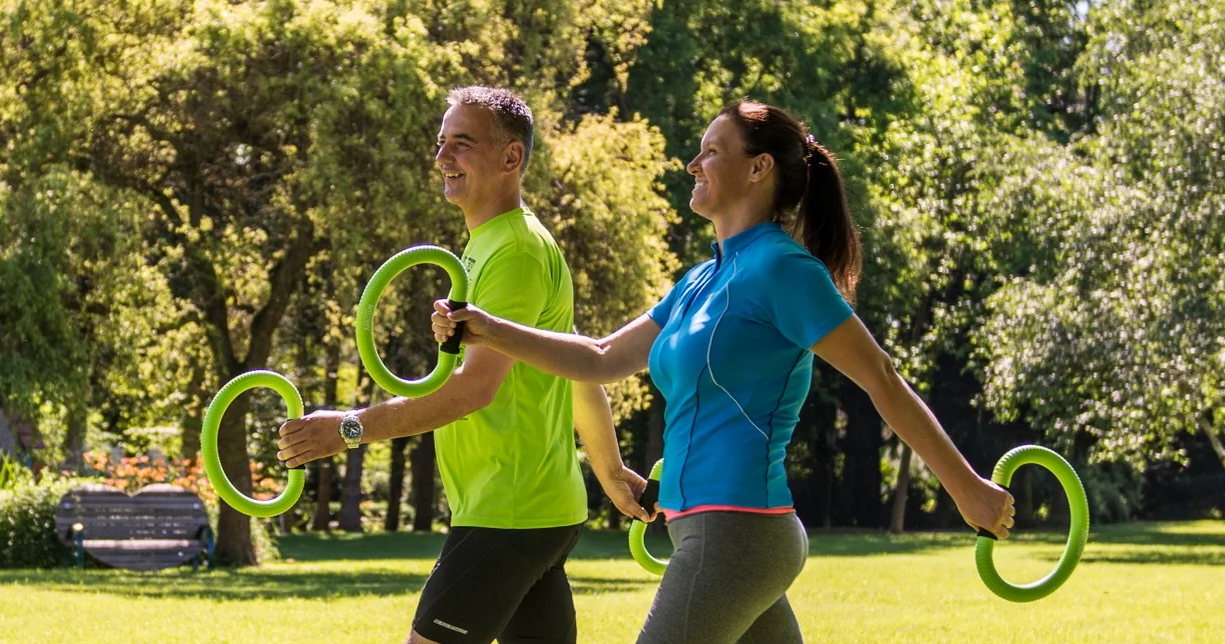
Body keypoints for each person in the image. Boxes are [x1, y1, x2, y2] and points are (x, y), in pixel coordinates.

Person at [429, 100, 1017, 644]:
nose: (693, 163)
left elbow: (881, 379)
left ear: (759, 168)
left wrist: (968, 490)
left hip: (736, 533)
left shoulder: (784, 270)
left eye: (711, 151)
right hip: (709, 532)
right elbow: (599, 358)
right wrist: (485, 326)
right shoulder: (699, 281)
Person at [274, 86, 648, 644]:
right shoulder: (492, 245)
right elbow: (576, 366)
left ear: (510, 158)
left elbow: (472, 392)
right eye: (441, 142)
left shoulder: (514, 252)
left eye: (462, 144)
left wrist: (348, 429)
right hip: (533, 510)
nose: (443, 157)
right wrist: (611, 471)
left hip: (508, 512)